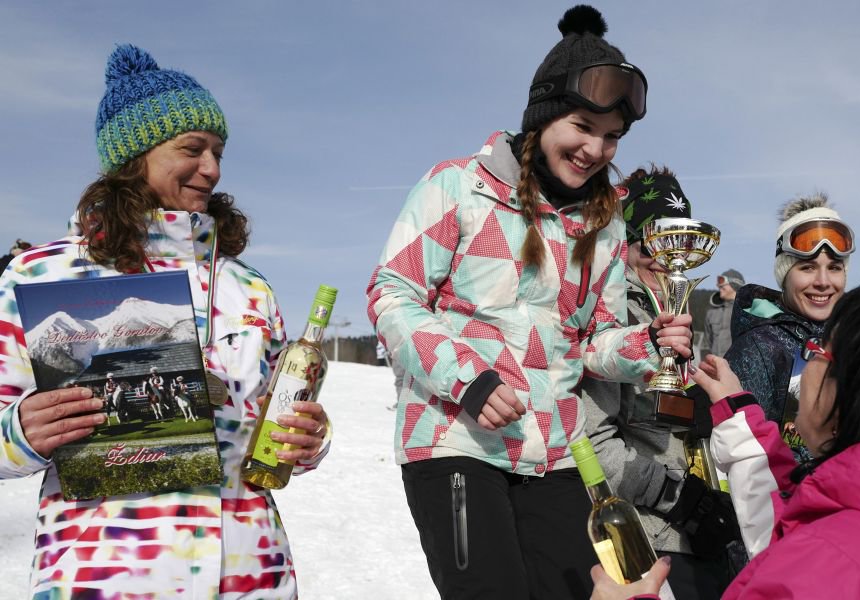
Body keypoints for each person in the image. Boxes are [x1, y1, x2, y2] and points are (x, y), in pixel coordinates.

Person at [366, 7, 693, 598]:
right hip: (457, 442)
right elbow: (394, 294)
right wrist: (469, 378)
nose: (595, 148)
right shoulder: (459, 186)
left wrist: (647, 344)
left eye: (611, 136)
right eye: (582, 126)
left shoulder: (605, 224)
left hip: (557, 455)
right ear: (542, 116)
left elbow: (593, 342)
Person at [0, 45, 330, 598]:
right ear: (135, 156)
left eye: (218, 151)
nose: (213, 168)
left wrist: (308, 439)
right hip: (107, 573)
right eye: (192, 149)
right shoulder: (39, 276)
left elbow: (274, 417)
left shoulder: (247, 286)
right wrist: (22, 432)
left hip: (250, 573)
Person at [591, 275, 860, 598]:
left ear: (849, 390)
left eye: (817, 351)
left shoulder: (818, 565)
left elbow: (799, 556)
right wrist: (737, 414)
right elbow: (784, 522)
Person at [581, 166, 739, 600]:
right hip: (646, 541)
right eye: (651, 242)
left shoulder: (682, 316)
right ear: (626, 242)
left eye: (677, 244)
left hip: (703, 540)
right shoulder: (611, 322)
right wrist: (681, 499)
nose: (664, 258)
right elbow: (595, 444)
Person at [724, 193, 853, 432]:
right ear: (785, 276)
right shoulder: (758, 349)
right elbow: (744, 444)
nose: (823, 282)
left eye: (834, 267)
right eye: (807, 268)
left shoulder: (856, 339)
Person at [704, 269, 744, 357]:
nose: (719, 286)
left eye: (722, 282)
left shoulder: (747, 311)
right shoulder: (712, 312)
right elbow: (709, 339)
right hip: (716, 362)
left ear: (734, 284)